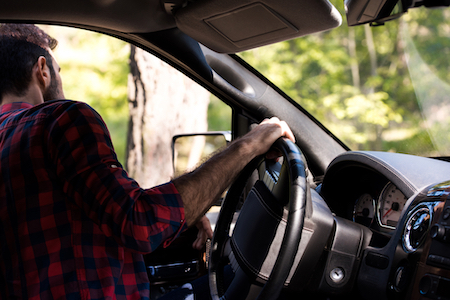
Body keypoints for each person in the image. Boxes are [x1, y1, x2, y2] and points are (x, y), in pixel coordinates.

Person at [0, 24, 295, 299]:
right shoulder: (62, 120)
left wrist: (185, 216)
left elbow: (85, 221)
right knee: (241, 283)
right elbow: (140, 223)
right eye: (59, 69)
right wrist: (248, 146)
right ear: (42, 70)